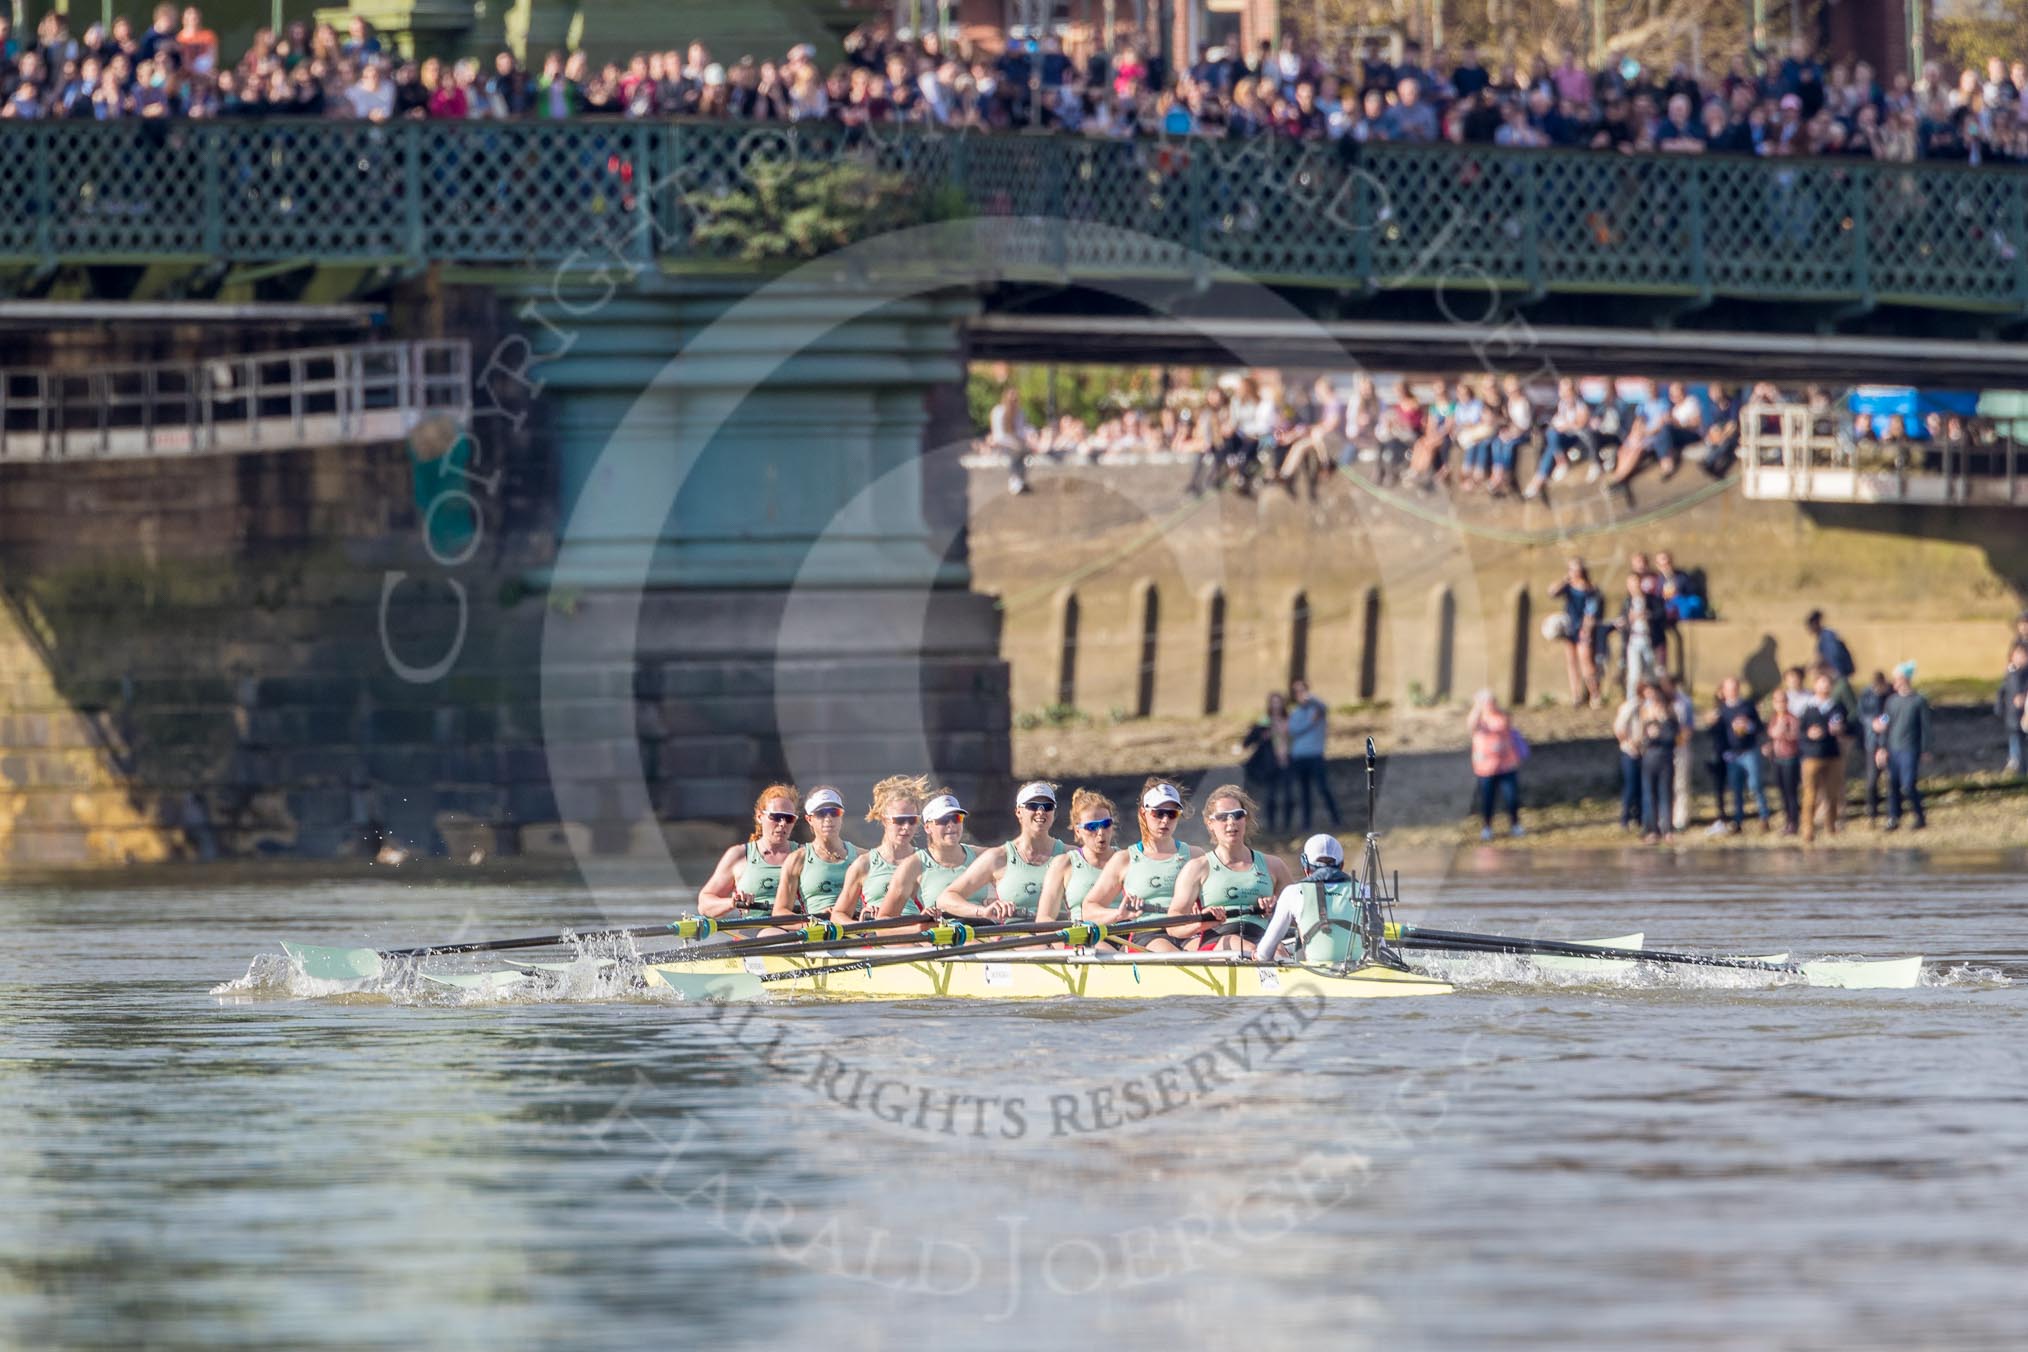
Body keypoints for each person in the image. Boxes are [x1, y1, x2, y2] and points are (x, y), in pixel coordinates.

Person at [1167, 786, 1292, 953]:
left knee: (1278, 950)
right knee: (1248, 947)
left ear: (1246, 819)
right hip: (1218, 940)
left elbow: (1300, 914)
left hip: (1262, 938)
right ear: (1209, 823)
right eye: (1222, 817)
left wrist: (1276, 908)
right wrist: (1202, 922)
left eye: (1238, 815)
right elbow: (1173, 926)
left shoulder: (1274, 865)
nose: (1231, 822)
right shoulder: (1197, 868)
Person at [1078, 780, 1195, 950]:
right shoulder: (1124, 859)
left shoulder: (1194, 855)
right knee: (1166, 950)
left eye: (1172, 814)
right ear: (1143, 813)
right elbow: (1088, 910)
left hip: (1188, 931)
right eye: (1158, 813)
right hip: (1148, 934)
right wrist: (1118, 914)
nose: (1165, 820)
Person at [936, 780, 1066, 920]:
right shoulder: (998, 857)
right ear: (1018, 812)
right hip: (1015, 937)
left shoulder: (1071, 855)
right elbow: (946, 898)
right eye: (1032, 806)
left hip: (1061, 935)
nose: (1040, 811)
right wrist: (982, 911)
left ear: (1054, 812)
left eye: (1048, 806)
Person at [887, 791, 1011, 921]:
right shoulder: (913, 864)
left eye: (956, 818)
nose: (951, 825)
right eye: (943, 820)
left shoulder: (983, 856)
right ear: (927, 827)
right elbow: (885, 920)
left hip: (984, 932)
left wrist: (999, 902)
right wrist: (919, 926)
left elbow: (1017, 890)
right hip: (943, 936)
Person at [1254, 834, 1368, 967]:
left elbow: (1264, 953)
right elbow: (1381, 946)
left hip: (1315, 975)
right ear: (1341, 865)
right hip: (1359, 973)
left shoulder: (1293, 893)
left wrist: (1256, 955)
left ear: (1305, 866)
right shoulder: (1365, 891)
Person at [831, 774, 930, 922]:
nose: (906, 827)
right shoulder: (864, 864)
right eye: (900, 820)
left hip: (922, 936)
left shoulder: (927, 861)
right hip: (879, 939)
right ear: (884, 819)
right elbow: (838, 915)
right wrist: (860, 925)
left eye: (912, 820)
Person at [696, 783, 800, 918]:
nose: (782, 823)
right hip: (755, 929)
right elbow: (704, 904)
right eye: (775, 816)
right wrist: (732, 902)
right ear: (759, 816)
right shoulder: (739, 855)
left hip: (798, 928)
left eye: (789, 818)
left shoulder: (804, 855)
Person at [1035, 788, 1122, 927]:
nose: (1100, 833)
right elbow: (1044, 918)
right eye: (1092, 827)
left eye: (1106, 824)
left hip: (1128, 934)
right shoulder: (1064, 864)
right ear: (1078, 831)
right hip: (1086, 937)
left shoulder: (1126, 860)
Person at [774, 785, 856, 918]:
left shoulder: (862, 857)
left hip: (857, 934)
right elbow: (779, 912)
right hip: (816, 934)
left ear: (842, 816)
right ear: (809, 819)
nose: (828, 818)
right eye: (821, 813)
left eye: (835, 812)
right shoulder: (797, 859)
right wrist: (813, 921)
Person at [1708, 676, 1770, 834]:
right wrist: (1711, 723)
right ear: (1724, 691)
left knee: (1755, 784)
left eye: (1734, 688)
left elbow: (1759, 727)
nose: (1732, 691)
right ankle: (1738, 820)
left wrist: (1748, 726)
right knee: (1736, 788)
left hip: (1749, 750)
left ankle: (1764, 816)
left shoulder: (1747, 706)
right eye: (1729, 689)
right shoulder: (1721, 710)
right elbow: (1715, 734)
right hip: (1732, 754)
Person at [1875, 662, 1931, 831]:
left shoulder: (1918, 701)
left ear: (1906, 679)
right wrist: (1882, 747)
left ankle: (1919, 816)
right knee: (1892, 784)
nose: (1895, 682)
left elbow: (1925, 727)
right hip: (1893, 748)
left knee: (1908, 784)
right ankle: (1893, 817)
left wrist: (1925, 748)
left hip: (1910, 748)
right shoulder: (1891, 701)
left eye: (1898, 679)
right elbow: (1885, 723)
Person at [1797, 670, 1848, 843]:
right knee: (1810, 793)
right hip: (1811, 755)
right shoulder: (1808, 708)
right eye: (1821, 683)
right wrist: (1809, 734)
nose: (1824, 686)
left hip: (1832, 754)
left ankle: (1831, 826)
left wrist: (1841, 729)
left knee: (1832, 793)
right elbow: (1799, 731)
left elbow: (1848, 725)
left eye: (1827, 683)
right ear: (1815, 685)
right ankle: (1807, 828)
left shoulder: (1837, 706)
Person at [1285, 678, 1342, 831]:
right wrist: (1310, 723)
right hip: (1299, 758)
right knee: (1304, 792)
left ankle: (1336, 819)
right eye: (1297, 692)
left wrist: (1311, 699)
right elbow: (1292, 731)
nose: (1300, 694)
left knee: (1323, 788)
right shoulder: (1295, 713)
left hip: (1315, 756)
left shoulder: (1318, 710)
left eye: (1303, 690)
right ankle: (1306, 824)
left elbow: (1325, 707)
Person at [1467, 689, 1524, 839]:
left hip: (1506, 766)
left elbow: (1505, 725)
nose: (1490, 705)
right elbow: (1472, 725)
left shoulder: (1501, 716)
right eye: (1487, 702)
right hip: (1486, 769)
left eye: (1491, 701)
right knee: (1487, 799)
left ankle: (1515, 824)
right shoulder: (1478, 720)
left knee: (1511, 797)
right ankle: (1487, 827)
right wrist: (1477, 707)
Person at [1548, 559, 1604, 706]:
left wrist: (1586, 629)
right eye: (1571, 569)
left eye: (1576, 569)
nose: (1574, 572)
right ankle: (1576, 695)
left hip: (1583, 629)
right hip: (1569, 629)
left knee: (1586, 663)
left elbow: (1591, 611)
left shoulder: (1590, 589)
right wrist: (1564, 580)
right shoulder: (1567, 587)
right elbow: (1552, 593)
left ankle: (1595, 694)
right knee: (1571, 663)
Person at [1240, 691, 1292, 832]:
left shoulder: (1290, 721)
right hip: (1270, 766)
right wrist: (1264, 736)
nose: (1276, 706)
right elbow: (1248, 741)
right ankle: (1272, 826)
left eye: (1278, 702)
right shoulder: (1264, 722)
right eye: (1273, 703)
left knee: (1289, 796)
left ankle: (1287, 826)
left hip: (1288, 763)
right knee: (1271, 796)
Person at [1636, 684, 1679, 843]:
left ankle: (1667, 829)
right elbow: (1642, 739)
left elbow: (1672, 738)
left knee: (1665, 793)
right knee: (1649, 794)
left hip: (1666, 758)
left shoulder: (1670, 715)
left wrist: (1661, 723)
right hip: (1649, 758)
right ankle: (1651, 829)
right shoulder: (1644, 715)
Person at [1659, 674, 1695, 832]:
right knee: (1662, 784)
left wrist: (1678, 742)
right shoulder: (1657, 702)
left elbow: (1688, 727)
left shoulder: (1684, 702)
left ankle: (1680, 818)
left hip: (1679, 748)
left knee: (1680, 784)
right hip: (1660, 749)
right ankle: (1663, 817)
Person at [1856, 670, 1893, 819]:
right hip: (1872, 742)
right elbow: (1861, 713)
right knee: (1871, 780)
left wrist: (1885, 722)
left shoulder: (1891, 695)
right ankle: (1872, 811)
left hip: (1890, 742)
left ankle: (1892, 810)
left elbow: (1894, 713)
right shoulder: (1866, 694)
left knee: (1891, 779)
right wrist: (1872, 722)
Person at [1767, 690, 1803, 835]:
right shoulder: (1774, 718)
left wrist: (1783, 731)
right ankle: (1787, 819)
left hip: (1790, 759)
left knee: (1791, 792)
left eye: (1782, 701)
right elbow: (1772, 734)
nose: (1780, 704)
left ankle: (1793, 822)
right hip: (1777, 759)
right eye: (1777, 701)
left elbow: (1794, 736)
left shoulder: (1792, 718)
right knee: (1782, 791)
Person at [1613, 681, 1647, 831]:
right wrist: (1628, 742)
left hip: (1645, 751)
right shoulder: (1632, 706)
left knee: (1641, 786)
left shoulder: (1650, 706)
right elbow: (1619, 727)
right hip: (1630, 751)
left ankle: (1639, 817)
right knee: (1631, 786)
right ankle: (1625, 819)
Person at [1998, 642, 2028, 775]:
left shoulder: (2025, 674)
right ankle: (2016, 763)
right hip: (2012, 716)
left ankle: (2021, 765)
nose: (2021, 658)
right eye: (2018, 655)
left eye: (2024, 655)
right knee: (2015, 740)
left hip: (2024, 715)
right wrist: (1999, 708)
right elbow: (2002, 692)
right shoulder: (2010, 674)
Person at [1805, 609, 1857, 679]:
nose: (1809, 630)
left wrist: (1836, 672)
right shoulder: (1824, 637)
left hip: (1837, 674)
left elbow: (1834, 655)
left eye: (1810, 627)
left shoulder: (1828, 636)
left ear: (1816, 624)